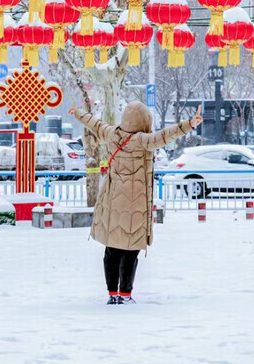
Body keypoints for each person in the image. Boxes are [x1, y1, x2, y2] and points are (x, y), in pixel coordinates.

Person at [69, 101, 203, 304]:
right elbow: (166, 135)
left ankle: (112, 294)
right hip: (135, 204)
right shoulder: (143, 140)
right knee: (130, 250)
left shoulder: (112, 134)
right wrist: (190, 124)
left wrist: (78, 113)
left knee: (112, 249)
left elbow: (95, 123)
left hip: (112, 200)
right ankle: (125, 294)